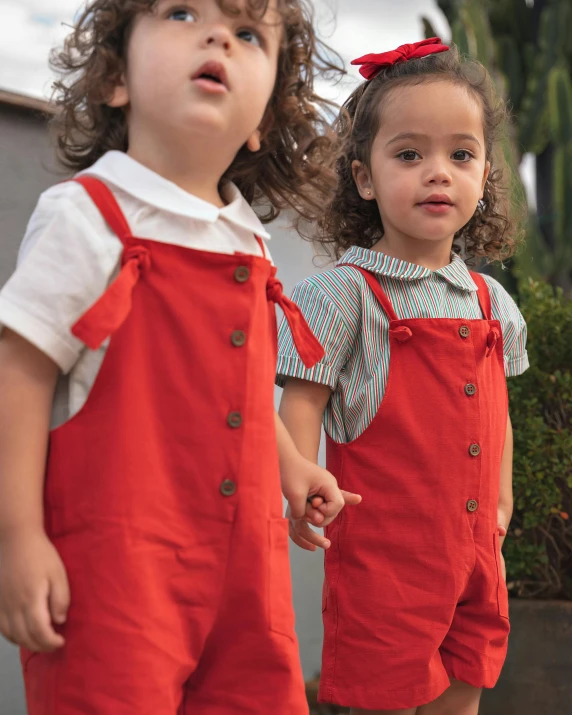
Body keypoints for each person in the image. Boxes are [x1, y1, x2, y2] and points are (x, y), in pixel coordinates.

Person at [0, 1, 360, 712]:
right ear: (115, 80)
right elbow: (20, 372)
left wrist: (293, 467)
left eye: (250, 33)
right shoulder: (88, 215)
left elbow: (248, 389)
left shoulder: (249, 240)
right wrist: (17, 534)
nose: (219, 33)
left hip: (247, 585)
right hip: (114, 575)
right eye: (181, 11)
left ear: (263, 121)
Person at [277, 38, 529, 715]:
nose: (437, 173)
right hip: (384, 567)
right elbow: (300, 402)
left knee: (464, 692)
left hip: (477, 556)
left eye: (461, 155)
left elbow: (498, 411)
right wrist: (298, 483)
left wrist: (500, 510)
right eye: (409, 154)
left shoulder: (491, 301)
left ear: (484, 177)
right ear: (364, 176)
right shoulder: (343, 295)